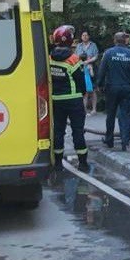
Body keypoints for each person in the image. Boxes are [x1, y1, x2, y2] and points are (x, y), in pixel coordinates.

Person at [49, 25, 90, 172]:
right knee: (78, 131)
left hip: (56, 100)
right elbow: (81, 81)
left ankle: (58, 163)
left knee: (58, 131)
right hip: (73, 101)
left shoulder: (49, 58)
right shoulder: (74, 59)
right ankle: (83, 163)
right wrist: (84, 94)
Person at [96, 31, 130, 151]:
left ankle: (109, 140)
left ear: (114, 40)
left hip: (112, 88)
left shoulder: (108, 53)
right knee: (125, 115)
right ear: (125, 41)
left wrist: (99, 84)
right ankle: (125, 141)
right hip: (127, 88)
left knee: (110, 114)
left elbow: (102, 70)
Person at [75, 30, 100, 114]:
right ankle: (83, 109)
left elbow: (96, 56)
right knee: (83, 90)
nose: (84, 37)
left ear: (89, 36)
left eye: (86, 35)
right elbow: (76, 56)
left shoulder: (93, 45)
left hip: (91, 68)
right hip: (81, 69)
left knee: (93, 90)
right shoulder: (78, 46)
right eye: (83, 35)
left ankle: (94, 109)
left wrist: (88, 61)